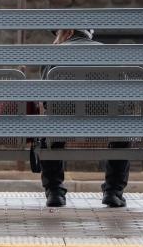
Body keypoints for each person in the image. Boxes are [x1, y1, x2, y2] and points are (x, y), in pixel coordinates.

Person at [39, 28, 130, 209]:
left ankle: (55, 192)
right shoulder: (110, 54)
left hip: (63, 123)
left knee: (48, 132)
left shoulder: (53, 55)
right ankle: (113, 192)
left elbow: (45, 99)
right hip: (107, 123)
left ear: (69, 33)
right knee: (123, 131)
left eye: (57, 35)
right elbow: (125, 97)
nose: (55, 40)